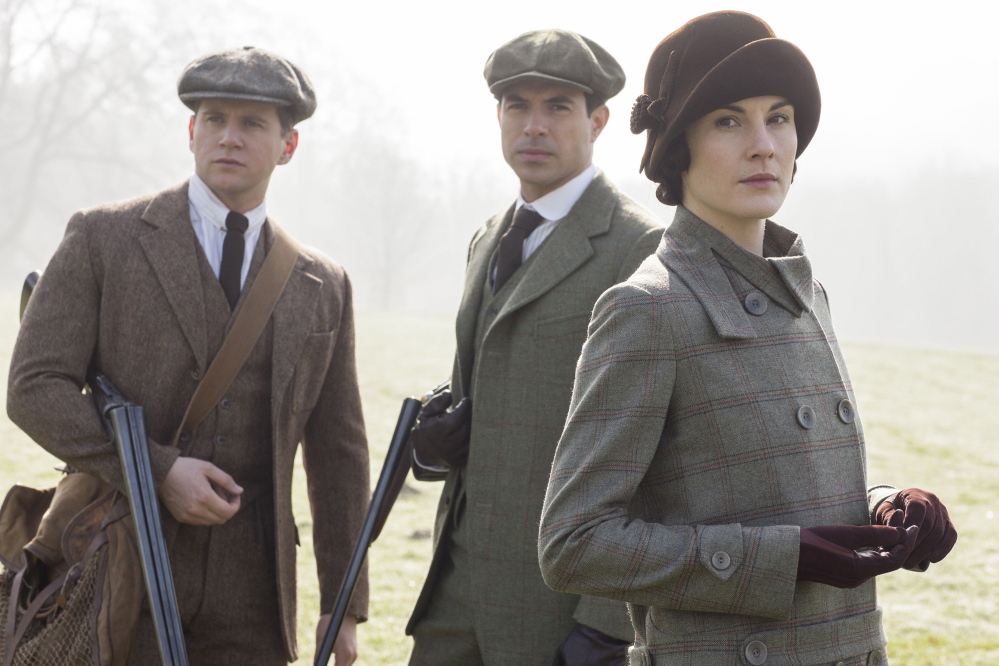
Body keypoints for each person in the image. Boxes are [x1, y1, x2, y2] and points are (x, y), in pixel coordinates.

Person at [538, 11, 958, 666]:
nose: (763, 145)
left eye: (778, 117)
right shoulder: (646, 310)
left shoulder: (806, 295)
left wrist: (883, 508)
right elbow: (574, 544)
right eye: (729, 120)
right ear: (679, 147)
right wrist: (780, 560)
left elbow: (783, 486)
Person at [7, 47, 368, 666]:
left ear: (288, 146)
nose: (230, 137)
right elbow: (34, 386)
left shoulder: (323, 283)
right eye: (215, 119)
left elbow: (338, 452)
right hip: (114, 567)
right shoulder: (102, 238)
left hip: (254, 600)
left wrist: (343, 601)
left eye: (253, 123)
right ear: (191, 131)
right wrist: (155, 470)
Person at [405, 29, 664, 666]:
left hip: (558, 604)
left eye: (558, 107)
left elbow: (659, 448)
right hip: (453, 593)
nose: (534, 125)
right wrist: (432, 448)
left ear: (598, 120)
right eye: (517, 105)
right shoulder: (487, 239)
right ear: (498, 117)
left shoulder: (642, 248)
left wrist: (607, 626)